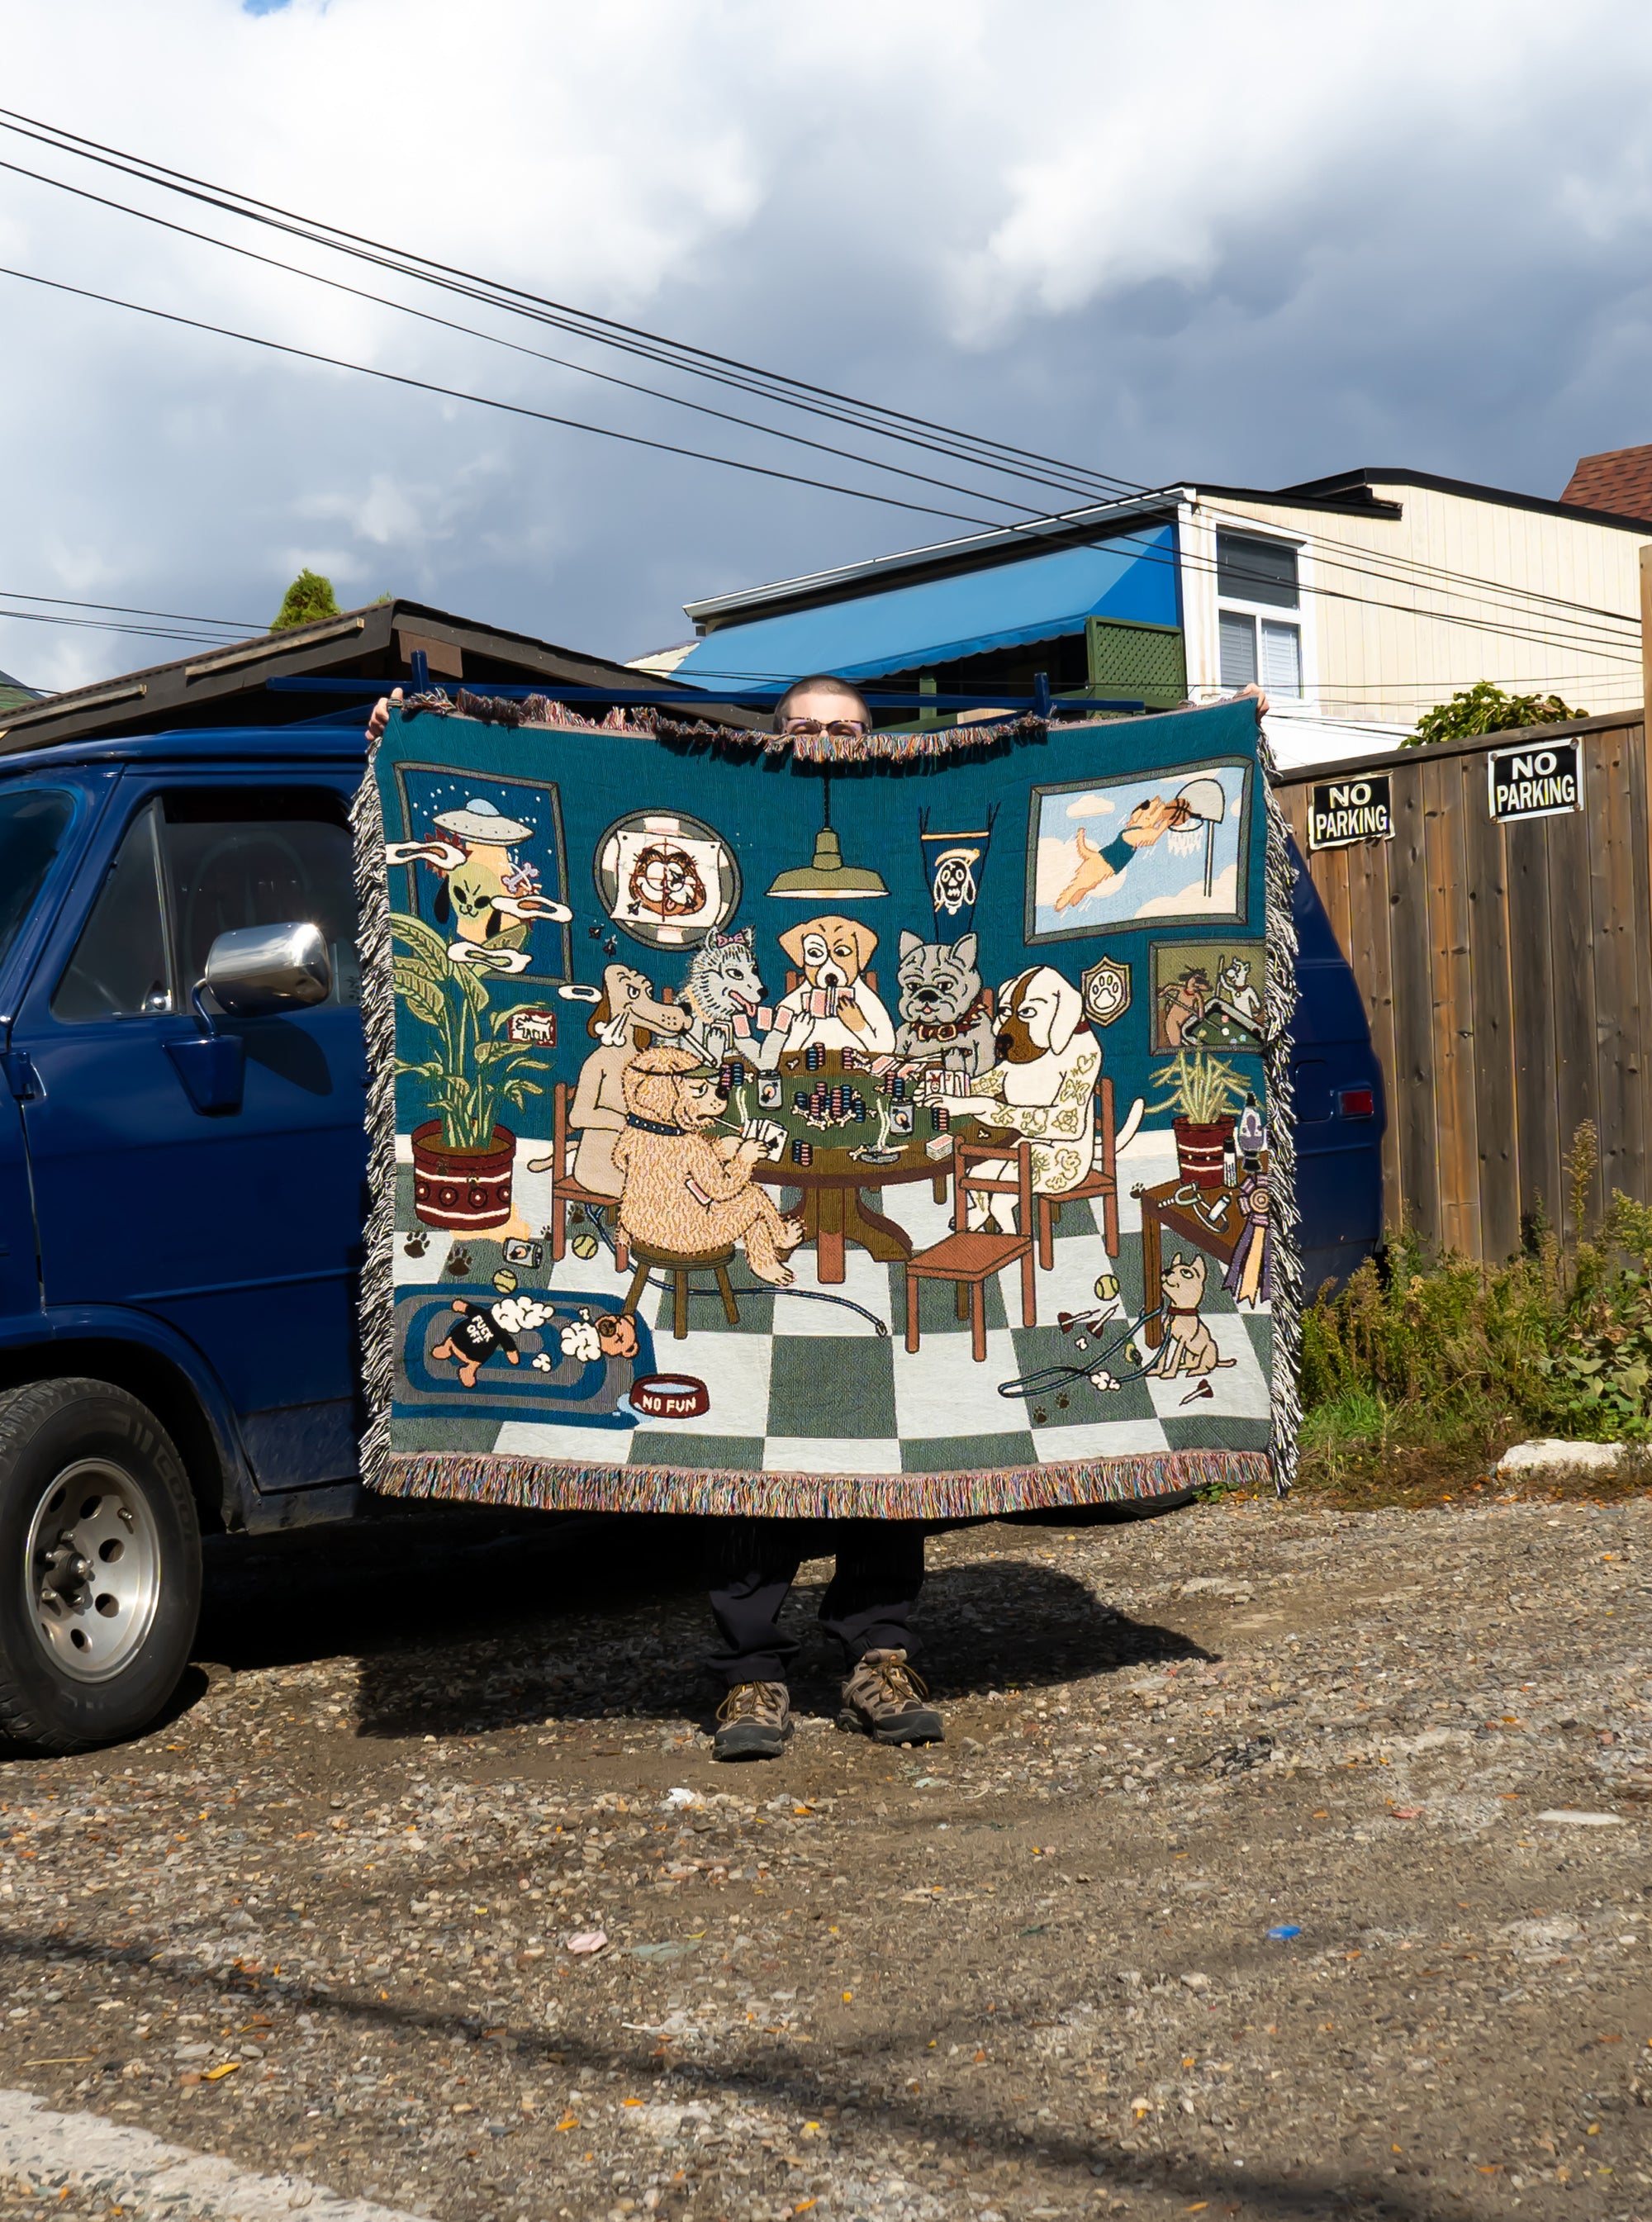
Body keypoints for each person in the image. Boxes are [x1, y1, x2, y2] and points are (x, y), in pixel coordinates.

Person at [710, 676, 942, 1760]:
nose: (825, 746)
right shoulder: (746, 833)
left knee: (878, 1415)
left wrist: (1231, 725)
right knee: (752, 1433)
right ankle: (751, 1669)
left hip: (866, 1172)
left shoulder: (890, 861)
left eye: (847, 731)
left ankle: (877, 1649)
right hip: (779, 1183)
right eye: (804, 730)